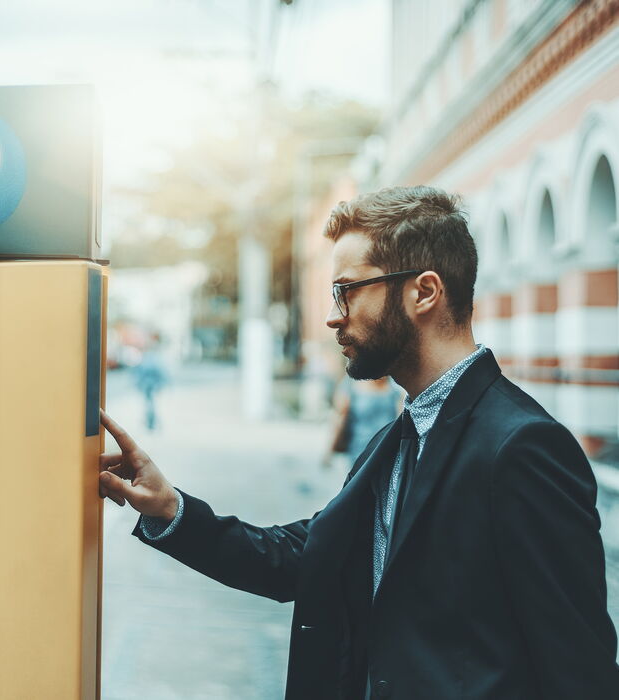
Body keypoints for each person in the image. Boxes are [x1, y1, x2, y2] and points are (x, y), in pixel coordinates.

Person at [99, 186, 619, 700]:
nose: (332, 315)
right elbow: (305, 560)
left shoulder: (523, 446)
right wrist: (172, 511)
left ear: (424, 292)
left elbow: (578, 666)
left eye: (346, 290)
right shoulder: (396, 439)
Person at [324, 376, 401, 469]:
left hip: (388, 452)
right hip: (359, 452)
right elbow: (340, 418)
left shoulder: (394, 385)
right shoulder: (351, 384)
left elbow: (401, 418)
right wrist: (330, 450)